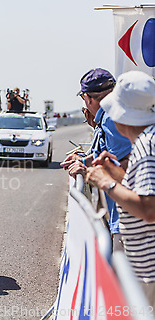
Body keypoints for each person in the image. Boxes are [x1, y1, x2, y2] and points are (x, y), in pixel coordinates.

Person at [85, 71, 155, 305]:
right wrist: (117, 172)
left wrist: (106, 181)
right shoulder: (147, 141)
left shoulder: (146, 147)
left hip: (148, 269)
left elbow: (149, 208)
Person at [61, 68, 132, 250]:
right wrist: (83, 160)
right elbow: (109, 153)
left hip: (126, 217)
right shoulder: (110, 116)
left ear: (88, 99)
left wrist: (86, 170)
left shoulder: (110, 117)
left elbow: (126, 162)